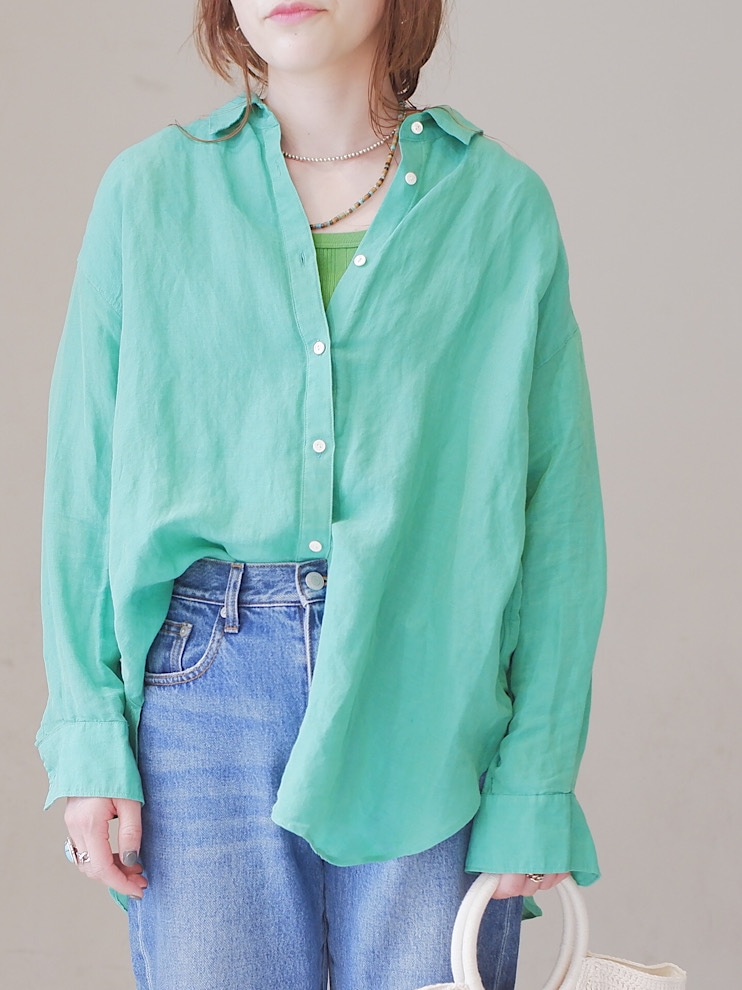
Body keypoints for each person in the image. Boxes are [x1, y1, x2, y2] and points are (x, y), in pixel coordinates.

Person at [36, 1, 607, 988]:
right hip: (201, 691)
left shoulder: (501, 208)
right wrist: (88, 737)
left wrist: (537, 780)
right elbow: (84, 488)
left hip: (432, 694)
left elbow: (556, 517)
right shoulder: (149, 195)